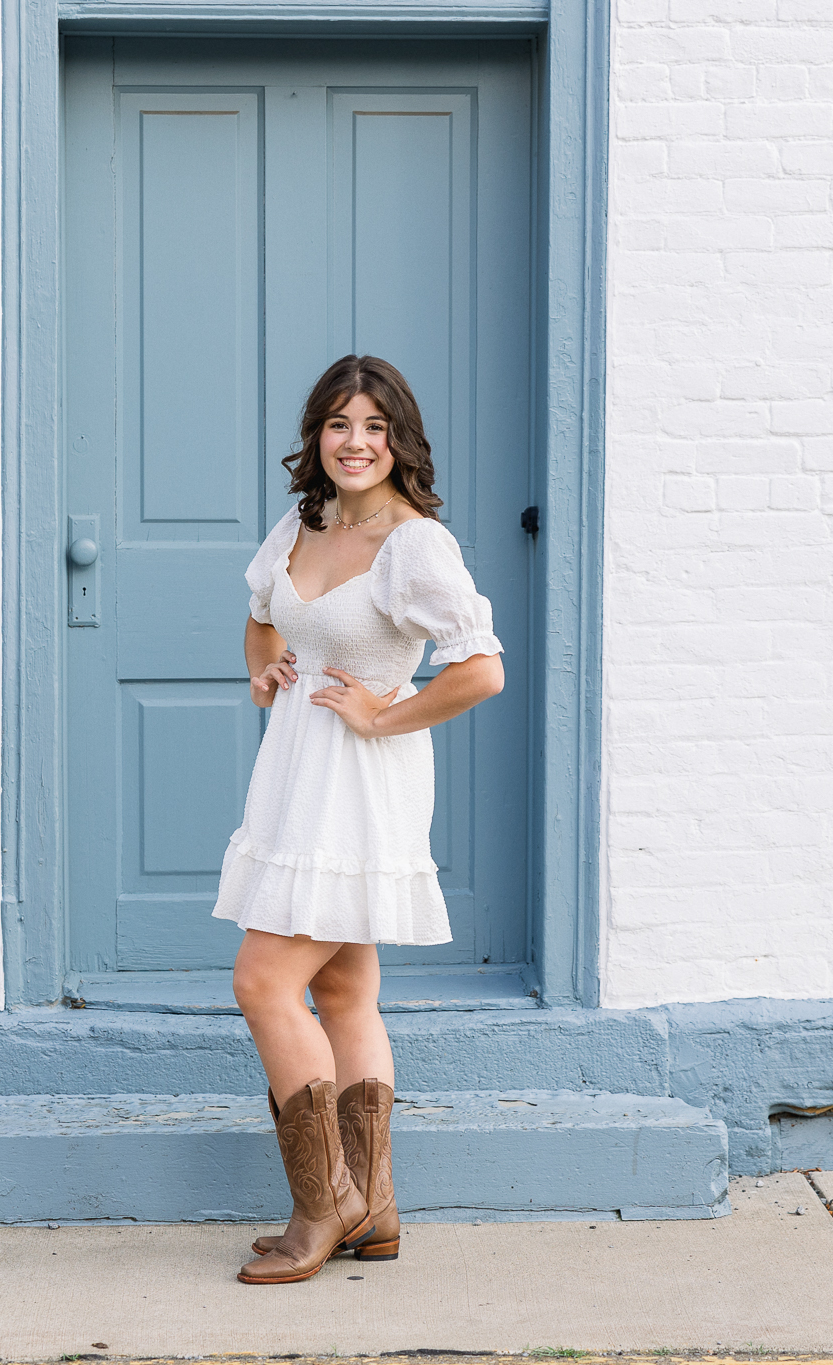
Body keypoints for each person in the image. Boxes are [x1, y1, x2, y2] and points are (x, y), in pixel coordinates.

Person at [215, 354, 505, 1285]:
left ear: (399, 440)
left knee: (263, 980)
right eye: (339, 424)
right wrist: (265, 668)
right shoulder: (306, 520)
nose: (355, 442)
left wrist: (384, 711)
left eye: (375, 426)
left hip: (360, 788)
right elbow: (266, 613)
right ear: (317, 436)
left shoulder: (415, 544)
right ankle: (371, 1209)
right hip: (297, 773)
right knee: (341, 992)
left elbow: (480, 668)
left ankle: (323, 1203)